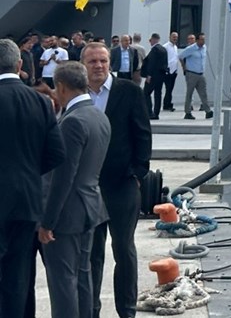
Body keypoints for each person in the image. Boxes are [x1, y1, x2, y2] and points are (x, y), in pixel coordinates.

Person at [81, 41, 151, 318]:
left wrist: (138, 173)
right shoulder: (78, 94)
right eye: (93, 62)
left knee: (123, 248)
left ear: (111, 64)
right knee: (91, 253)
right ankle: (91, 310)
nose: (98, 66)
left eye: (103, 61)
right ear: (83, 64)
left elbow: (143, 133)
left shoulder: (130, 92)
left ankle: (127, 311)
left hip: (122, 183)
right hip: (88, 186)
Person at [40, 61, 111, 318]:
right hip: (90, 207)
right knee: (83, 277)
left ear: (60, 86)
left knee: (63, 283)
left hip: (67, 214)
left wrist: (47, 222)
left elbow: (63, 177)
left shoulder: (72, 121)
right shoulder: (98, 115)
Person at [0, 39, 65, 318]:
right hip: (26, 201)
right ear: (19, 65)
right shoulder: (40, 102)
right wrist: (27, 172)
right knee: (17, 277)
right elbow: (56, 154)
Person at [177, 33, 212, 120]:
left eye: (204, 39)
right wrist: (184, 67)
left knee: (203, 93)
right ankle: (188, 112)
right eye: (201, 39)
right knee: (189, 93)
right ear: (197, 40)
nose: (203, 41)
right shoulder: (191, 49)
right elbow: (180, 56)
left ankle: (208, 111)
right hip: (192, 73)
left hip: (201, 73)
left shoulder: (204, 48)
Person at [141, 33, 168, 119]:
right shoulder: (163, 49)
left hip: (153, 76)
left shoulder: (154, 50)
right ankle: (156, 113)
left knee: (146, 93)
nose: (150, 42)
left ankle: (149, 112)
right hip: (161, 75)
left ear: (153, 39)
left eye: (150, 40)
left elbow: (151, 63)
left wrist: (149, 75)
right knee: (158, 93)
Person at [162, 32, 180, 112]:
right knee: (168, 88)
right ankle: (167, 104)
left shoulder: (175, 47)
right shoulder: (165, 47)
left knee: (170, 89)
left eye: (176, 37)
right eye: (173, 37)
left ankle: (168, 103)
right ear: (169, 37)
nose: (175, 38)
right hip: (168, 71)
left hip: (174, 71)